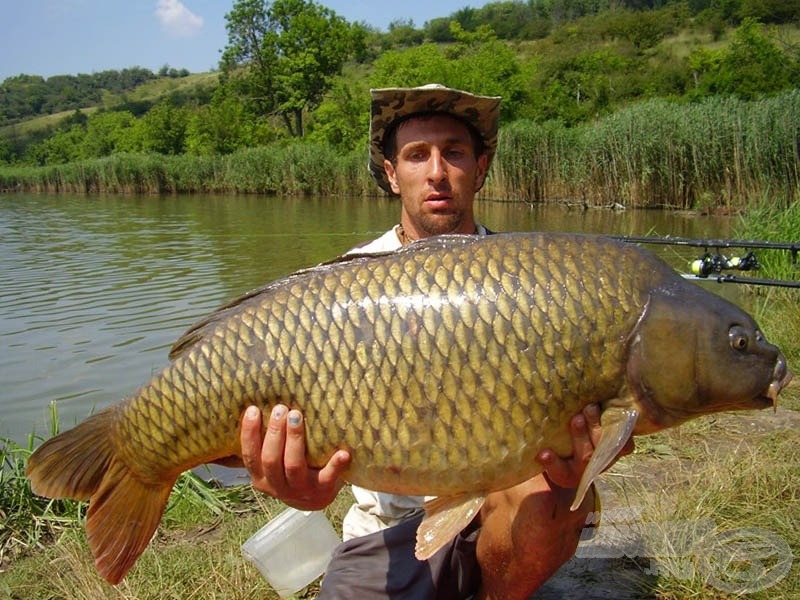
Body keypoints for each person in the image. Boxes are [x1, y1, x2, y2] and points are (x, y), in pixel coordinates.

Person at [238, 84, 632, 599]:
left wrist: (598, 444)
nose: (437, 172)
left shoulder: (531, 282)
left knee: (548, 495)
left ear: (481, 166)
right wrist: (301, 484)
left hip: (507, 504)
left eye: (454, 152)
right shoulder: (341, 289)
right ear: (390, 173)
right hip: (390, 528)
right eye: (416, 155)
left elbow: (602, 411)